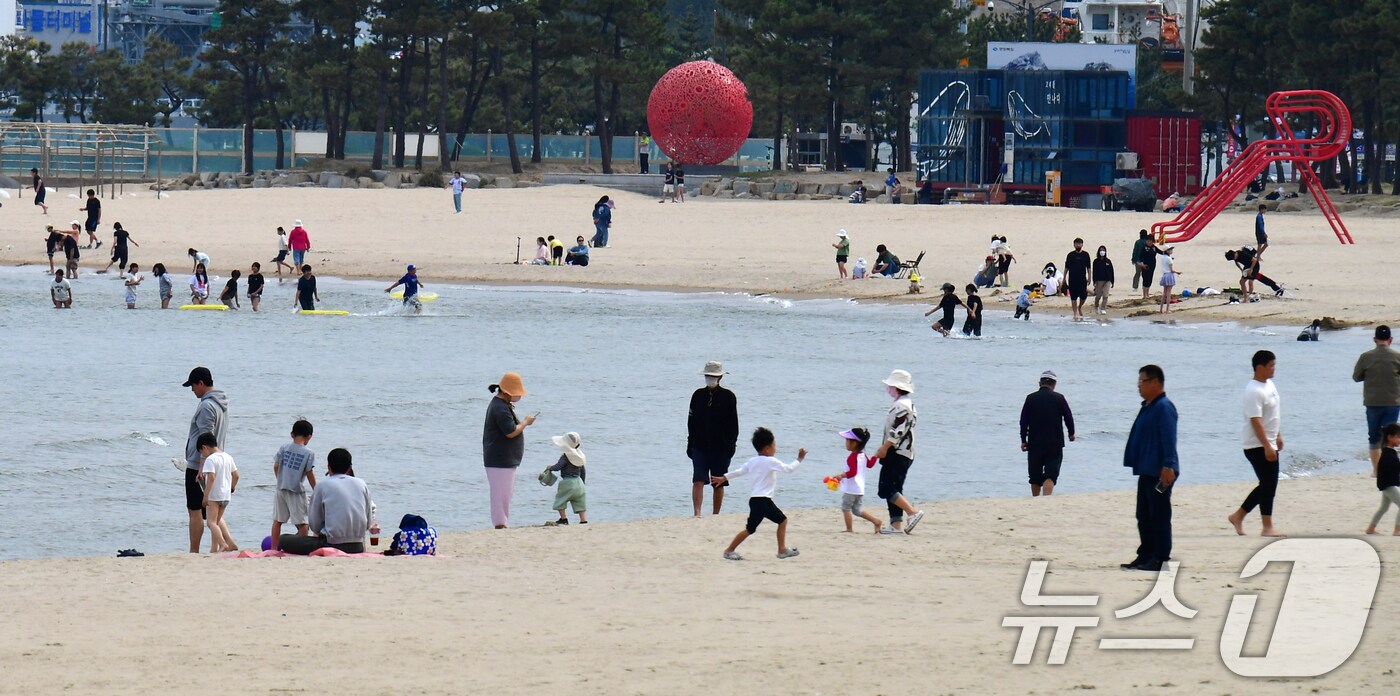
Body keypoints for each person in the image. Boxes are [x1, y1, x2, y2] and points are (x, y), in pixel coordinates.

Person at [712, 427, 804, 560]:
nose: (775, 448)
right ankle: (729, 550)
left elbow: (739, 472)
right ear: (767, 448)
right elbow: (788, 469)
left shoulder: (752, 461)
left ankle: (782, 550)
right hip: (762, 501)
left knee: (781, 520)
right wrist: (799, 459)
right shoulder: (771, 461)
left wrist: (724, 477)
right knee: (751, 528)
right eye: (774, 445)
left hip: (757, 500)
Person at [1122, 364, 1178, 573]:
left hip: (1160, 471)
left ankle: (1161, 558)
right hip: (1147, 469)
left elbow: (1169, 438)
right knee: (1143, 515)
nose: (1139, 386)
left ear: (1155, 382)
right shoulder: (1149, 406)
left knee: (1159, 515)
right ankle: (1146, 554)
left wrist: (1168, 465)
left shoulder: (1164, 407)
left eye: (1142, 382)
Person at [1227, 350, 1286, 538]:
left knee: (1268, 484)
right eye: (1271, 366)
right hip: (1256, 444)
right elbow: (1256, 420)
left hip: (1269, 441)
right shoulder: (1253, 390)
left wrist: (1278, 435)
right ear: (1260, 367)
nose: (1274, 369)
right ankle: (1266, 527)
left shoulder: (1269, 384)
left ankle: (1238, 516)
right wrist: (1267, 445)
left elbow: (1272, 415)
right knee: (1269, 485)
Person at [280, 448, 375, 555]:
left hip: (331, 544)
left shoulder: (322, 485)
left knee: (283, 539)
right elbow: (368, 522)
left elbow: (314, 525)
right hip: (357, 546)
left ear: (329, 466)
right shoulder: (362, 484)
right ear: (349, 468)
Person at [182, 367, 229, 554]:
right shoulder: (221, 404)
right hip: (217, 462)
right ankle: (220, 545)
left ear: (201, 383)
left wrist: (201, 467)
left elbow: (205, 437)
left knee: (194, 510)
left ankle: (194, 551)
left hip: (200, 465)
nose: (192, 390)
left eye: (193, 386)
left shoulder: (206, 406)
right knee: (212, 509)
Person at [873, 370, 924, 534]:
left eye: (890, 386)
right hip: (903, 452)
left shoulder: (901, 405)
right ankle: (896, 525)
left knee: (887, 487)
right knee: (894, 488)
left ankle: (912, 513)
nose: (888, 388)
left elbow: (898, 431)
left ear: (896, 387)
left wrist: (885, 447)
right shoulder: (907, 404)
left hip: (898, 452)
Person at [483, 372, 536, 529]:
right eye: (517, 393)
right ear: (507, 392)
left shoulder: (501, 405)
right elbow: (511, 432)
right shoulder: (500, 408)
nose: (519, 396)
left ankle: (502, 522)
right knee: (501, 495)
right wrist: (525, 422)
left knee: (505, 493)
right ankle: (500, 524)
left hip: (503, 459)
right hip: (500, 459)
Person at [688, 360, 739, 517]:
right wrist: (690, 444)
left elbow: (733, 425)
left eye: (713, 376)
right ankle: (697, 513)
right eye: (708, 376)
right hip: (699, 446)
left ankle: (716, 514)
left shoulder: (728, 397)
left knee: (718, 481)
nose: (710, 378)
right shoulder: (698, 395)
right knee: (698, 479)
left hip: (721, 448)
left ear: (720, 377)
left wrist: (731, 447)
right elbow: (691, 422)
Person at [1353, 325, 1400, 477]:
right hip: (1393, 402)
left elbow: (1356, 377)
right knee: (1390, 437)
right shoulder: (1397, 356)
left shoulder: (1365, 357)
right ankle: (1388, 469)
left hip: (1372, 402)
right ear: (1390, 340)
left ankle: (1377, 471)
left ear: (1374, 339)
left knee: (1374, 437)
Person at [1020, 370, 1076, 496]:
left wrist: (1023, 440)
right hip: (1055, 443)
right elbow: (1068, 417)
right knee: (1051, 475)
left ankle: (1035, 499)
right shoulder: (1059, 398)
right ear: (1054, 384)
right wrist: (1071, 433)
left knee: (1034, 476)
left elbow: (1023, 421)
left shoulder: (1030, 398)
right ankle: (1046, 499)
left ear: (1040, 383)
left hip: (1035, 443)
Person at [270, 419, 317, 552]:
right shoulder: (308, 453)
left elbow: (276, 465)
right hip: (296, 490)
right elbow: (309, 473)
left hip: (281, 488)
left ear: (292, 434)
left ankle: (273, 548)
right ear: (309, 436)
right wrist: (316, 489)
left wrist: (280, 479)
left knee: (277, 521)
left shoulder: (284, 448)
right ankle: (300, 549)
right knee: (302, 523)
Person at [197, 433, 239, 553]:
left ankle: (223, 544)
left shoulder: (211, 459)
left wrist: (205, 496)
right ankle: (228, 544)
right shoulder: (228, 457)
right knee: (216, 522)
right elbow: (236, 475)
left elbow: (211, 478)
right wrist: (232, 487)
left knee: (211, 523)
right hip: (226, 496)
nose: (202, 455)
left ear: (204, 447)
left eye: (201, 452)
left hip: (214, 495)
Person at [834, 428, 883, 533]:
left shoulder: (852, 457)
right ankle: (876, 521)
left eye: (847, 441)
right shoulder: (862, 455)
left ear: (854, 443)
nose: (846, 443)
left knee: (845, 508)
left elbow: (853, 472)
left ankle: (849, 529)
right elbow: (870, 464)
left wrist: (841, 476)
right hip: (859, 488)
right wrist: (876, 456)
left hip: (851, 489)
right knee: (857, 510)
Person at [1365, 423, 1400, 536]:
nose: (1399, 440)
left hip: (1386, 484)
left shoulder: (1389, 452)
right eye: (1398, 437)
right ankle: (1397, 530)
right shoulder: (1388, 454)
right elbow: (1390, 469)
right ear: (1390, 437)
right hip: (1387, 485)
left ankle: (1370, 529)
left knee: (1383, 508)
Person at [547, 432, 588, 525]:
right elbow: (583, 471)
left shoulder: (566, 456)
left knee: (560, 499)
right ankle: (583, 520)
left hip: (568, 482)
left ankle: (563, 519)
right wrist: (582, 482)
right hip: (579, 482)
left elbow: (558, 466)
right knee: (580, 502)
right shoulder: (579, 457)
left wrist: (550, 468)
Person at [1065, 238, 1092, 321]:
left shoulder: (1086, 255)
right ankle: (1075, 313)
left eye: (1079, 243)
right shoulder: (1070, 255)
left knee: (1083, 296)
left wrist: (1089, 277)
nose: (1078, 245)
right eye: (1077, 243)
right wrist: (1064, 277)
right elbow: (1066, 268)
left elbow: (1088, 267)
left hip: (1082, 279)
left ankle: (1079, 307)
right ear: (1074, 245)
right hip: (1072, 279)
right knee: (1073, 297)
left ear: (1082, 245)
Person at [1092, 245, 1114, 316]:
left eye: (1103, 250)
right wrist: (1094, 281)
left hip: (1107, 280)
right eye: (1101, 250)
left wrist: (1112, 281)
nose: (1102, 252)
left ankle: (1103, 308)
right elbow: (1094, 272)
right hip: (1099, 280)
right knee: (1098, 296)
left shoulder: (1108, 261)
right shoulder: (1096, 261)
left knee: (1105, 295)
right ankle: (1096, 306)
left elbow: (1111, 271)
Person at [1134, 231, 1157, 299]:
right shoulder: (1144, 246)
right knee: (1145, 278)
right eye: (1149, 240)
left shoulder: (1153, 247)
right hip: (1143, 264)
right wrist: (1139, 262)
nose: (1150, 242)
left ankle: (1145, 292)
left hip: (1150, 265)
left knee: (1147, 278)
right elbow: (1139, 254)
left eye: (1151, 241)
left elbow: (1135, 251)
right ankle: (1144, 294)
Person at [1157, 244, 1179, 313]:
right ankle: (1167, 309)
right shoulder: (1169, 259)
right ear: (1167, 251)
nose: (1171, 250)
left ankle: (1161, 310)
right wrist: (1177, 272)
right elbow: (1171, 270)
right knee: (1168, 293)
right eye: (1170, 249)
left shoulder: (1163, 257)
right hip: (1169, 275)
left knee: (1164, 293)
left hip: (1164, 275)